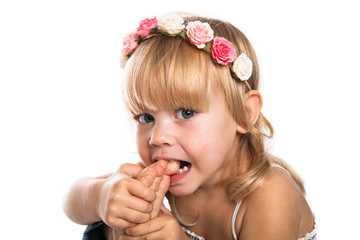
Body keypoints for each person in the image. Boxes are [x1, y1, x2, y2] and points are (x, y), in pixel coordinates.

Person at [63, 12, 316, 240]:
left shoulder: (270, 196)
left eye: (185, 113)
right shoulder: (159, 177)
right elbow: (72, 200)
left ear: (245, 114)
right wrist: (100, 197)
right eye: (145, 118)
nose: (158, 138)